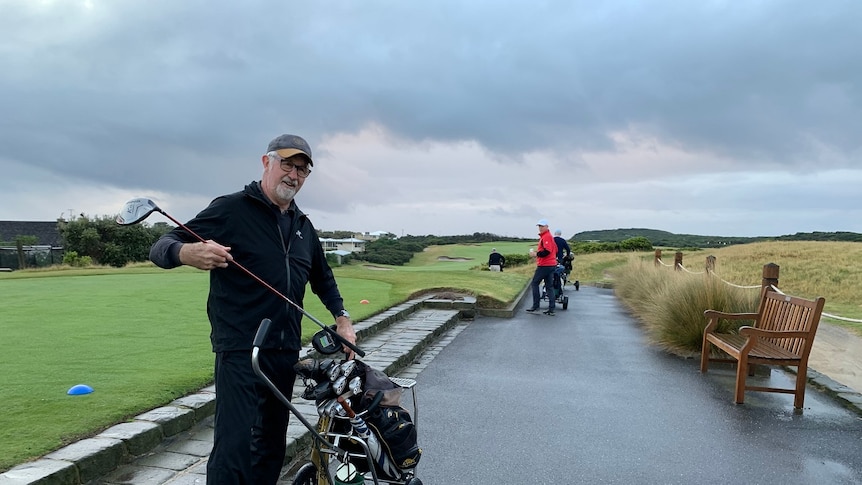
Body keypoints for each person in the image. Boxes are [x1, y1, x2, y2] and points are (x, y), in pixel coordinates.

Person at [149, 134, 356, 485]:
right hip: (241, 346)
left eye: (302, 170)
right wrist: (187, 253)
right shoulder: (231, 209)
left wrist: (343, 319)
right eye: (287, 165)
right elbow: (163, 245)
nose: (294, 175)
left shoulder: (303, 225)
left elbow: (323, 277)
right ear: (267, 163)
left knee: (271, 447)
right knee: (234, 448)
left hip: (284, 349)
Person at [526, 219, 558, 316]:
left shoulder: (546, 237)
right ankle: (551, 309)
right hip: (551, 264)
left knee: (535, 283)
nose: (540, 228)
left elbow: (547, 251)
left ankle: (536, 306)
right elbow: (555, 249)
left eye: (542, 226)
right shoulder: (548, 237)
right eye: (539, 226)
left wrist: (536, 254)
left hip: (545, 265)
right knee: (549, 286)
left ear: (547, 227)